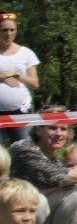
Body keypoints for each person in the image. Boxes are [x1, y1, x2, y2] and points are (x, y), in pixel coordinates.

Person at [9, 105, 77, 224]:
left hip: (34, 212)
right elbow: (54, 177)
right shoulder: (23, 148)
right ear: (38, 130)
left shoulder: (54, 161)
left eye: (63, 129)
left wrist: (53, 187)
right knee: (39, 201)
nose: (59, 133)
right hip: (12, 212)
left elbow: (57, 179)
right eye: (52, 128)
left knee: (74, 195)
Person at [0, 12, 40, 145]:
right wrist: (2, 76)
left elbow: (34, 84)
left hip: (19, 113)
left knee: (23, 150)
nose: (8, 34)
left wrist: (16, 74)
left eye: (12, 30)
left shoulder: (26, 53)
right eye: (4, 30)